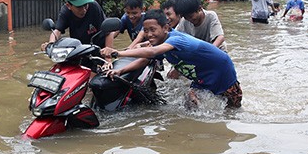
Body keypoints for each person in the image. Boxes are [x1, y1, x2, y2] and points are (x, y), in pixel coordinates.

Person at [100, 9, 242, 109]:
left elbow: (152, 51)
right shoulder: (160, 43)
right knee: (190, 102)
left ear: (166, 28)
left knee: (232, 110)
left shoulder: (176, 39)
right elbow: (145, 60)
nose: (149, 34)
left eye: (153, 30)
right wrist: (121, 71)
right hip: (201, 77)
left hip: (221, 71)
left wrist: (117, 53)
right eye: (146, 30)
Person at [42, 0, 114, 50]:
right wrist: (50, 45)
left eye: (85, 5)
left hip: (99, 48)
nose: (84, 10)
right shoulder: (66, 12)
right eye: (79, 7)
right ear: (69, 6)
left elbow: (108, 31)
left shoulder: (94, 6)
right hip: (79, 49)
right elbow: (57, 31)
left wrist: (108, 54)